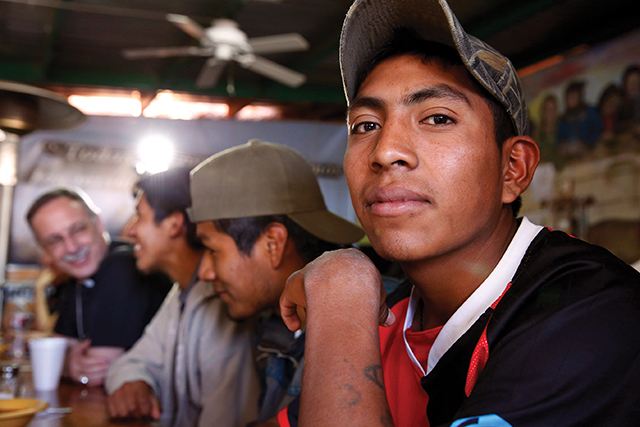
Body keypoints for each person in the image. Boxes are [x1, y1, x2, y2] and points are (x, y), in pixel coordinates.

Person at [278, 0, 640, 426]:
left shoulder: (591, 312)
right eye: (366, 125)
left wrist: (340, 294)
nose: (385, 152)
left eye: (436, 118)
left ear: (513, 169)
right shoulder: (386, 314)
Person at [187, 140, 364, 425]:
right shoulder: (273, 329)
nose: (206, 272)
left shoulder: (369, 325)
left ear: (273, 244)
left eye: (212, 250)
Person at [105, 168, 259, 427]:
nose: (130, 231)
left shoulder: (226, 304)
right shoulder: (181, 293)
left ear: (174, 224)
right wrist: (134, 383)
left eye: (139, 216)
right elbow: (131, 362)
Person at [26, 188, 172, 386]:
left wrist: (66, 364)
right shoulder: (76, 281)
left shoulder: (123, 265)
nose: (72, 247)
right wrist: (69, 362)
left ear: (98, 222)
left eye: (78, 229)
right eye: (55, 240)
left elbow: (98, 371)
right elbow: (57, 347)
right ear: (45, 251)